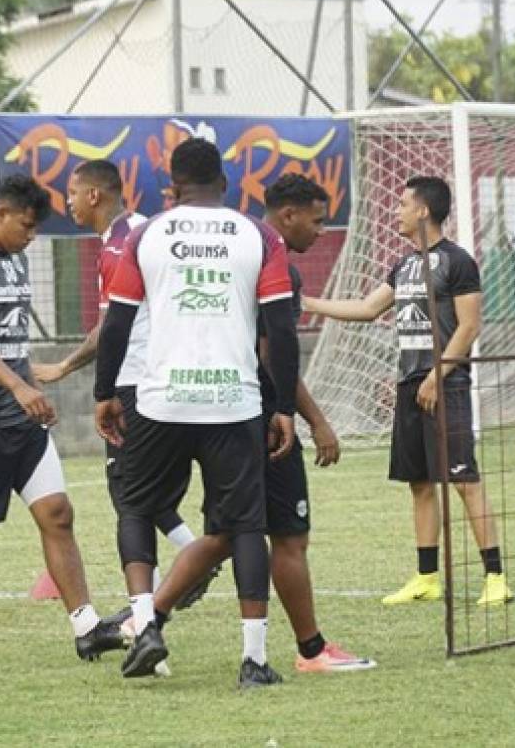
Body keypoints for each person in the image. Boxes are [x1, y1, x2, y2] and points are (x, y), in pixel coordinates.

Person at [145, 174, 376, 673]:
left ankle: (146, 621)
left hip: (222, 413)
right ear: (287, 215)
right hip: (266, 421)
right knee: (286, 536)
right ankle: (311, 650)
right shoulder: (271, 264)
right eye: (316, 221)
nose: (320, 233)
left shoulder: (232, 252)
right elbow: (271, 355)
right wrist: (313, 420)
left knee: (229, 532)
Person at [93, 137, 300, 688]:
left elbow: (115, 325)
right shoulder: (260, 235)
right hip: (234, 402)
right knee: (247, 527)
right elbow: (281, 330)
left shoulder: (147, 234)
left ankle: (146, 626)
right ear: (225, 184)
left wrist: (104, 392)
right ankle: (253, 661)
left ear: (173, 184)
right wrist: (282, 407)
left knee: (136, 508)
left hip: (160, 400)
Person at [0, 175, 126, 667]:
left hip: (22, 421)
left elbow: (7, 336)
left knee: (58, 514)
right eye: (27, 225)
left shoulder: (14, 259)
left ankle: (86, 627)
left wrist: (26, 381)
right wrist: (17, 386)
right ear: (1, 214)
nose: (31, 236)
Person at [302, 176, 511, 608]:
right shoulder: (405, 264)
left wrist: (438, 374)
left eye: (402, 204)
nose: (395, 211)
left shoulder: (458, 261)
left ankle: (495, 576)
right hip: (409, 385)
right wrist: (306, 303)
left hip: (446, 386)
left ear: (423, 211)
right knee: (419, 484)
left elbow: (469, 326)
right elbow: (366, 308)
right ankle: (427, 577)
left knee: (464, 480)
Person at [31, 159, 209, 608]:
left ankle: (159, 596)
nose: (67, 202)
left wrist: (62, 368)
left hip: (136, 383)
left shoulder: (120, 247)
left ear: (94, 195)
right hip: (169, 375)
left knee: (128, 492)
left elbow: (111, 327)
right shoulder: (144, 231)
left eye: (72, 192)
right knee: (137, 486)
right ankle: (191, 556)